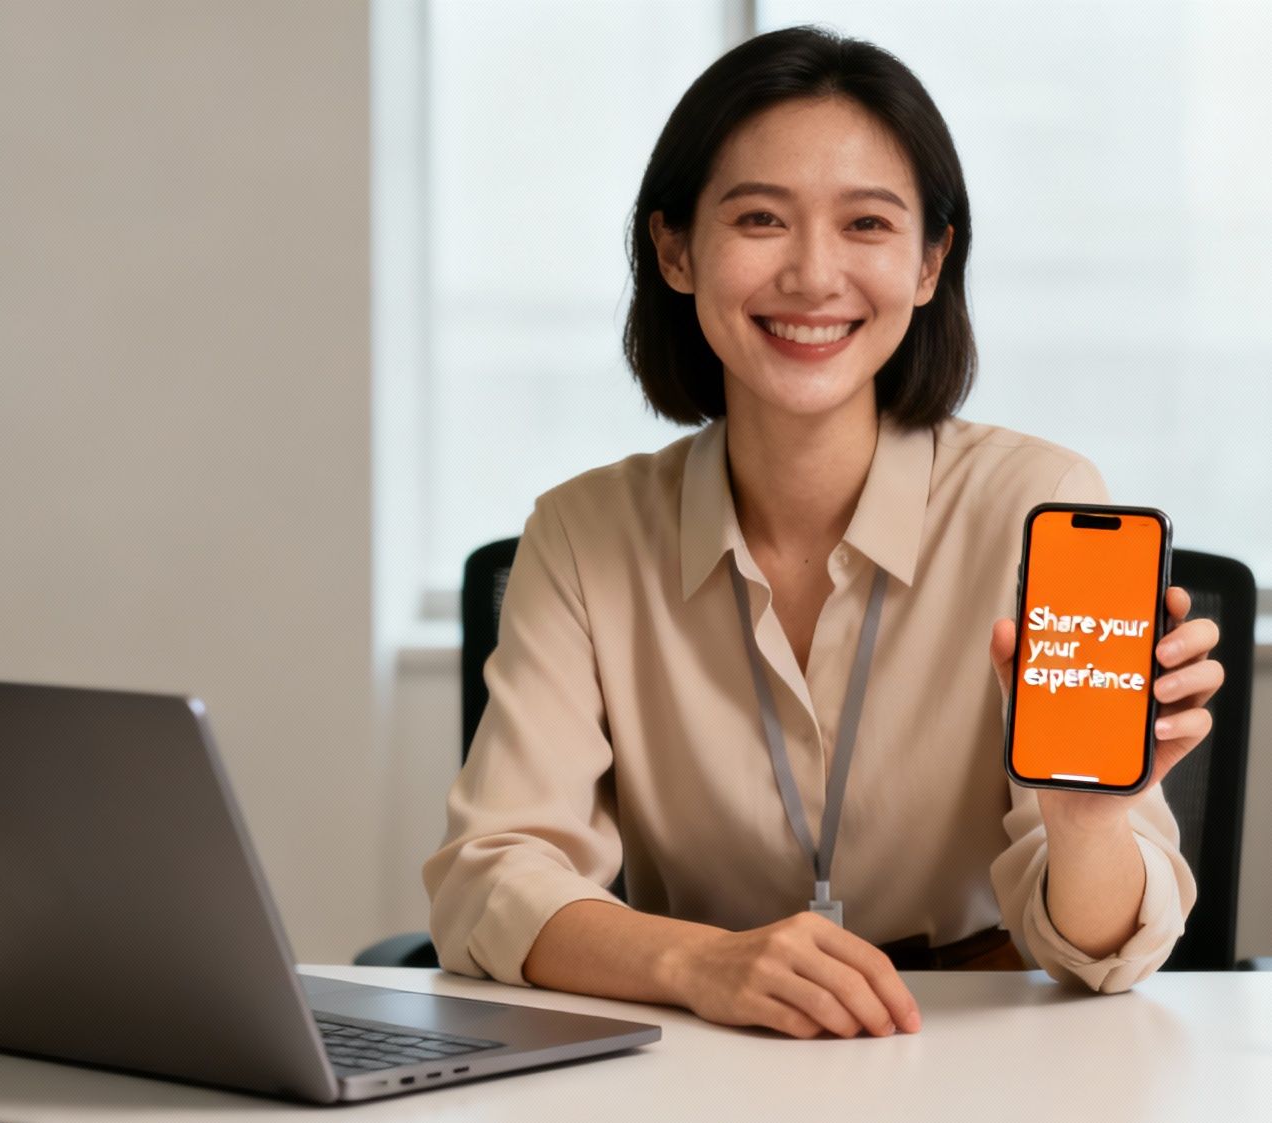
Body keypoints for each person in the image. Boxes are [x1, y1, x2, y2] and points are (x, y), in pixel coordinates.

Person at [423, 25, 1223, 1041]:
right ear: (674, 249)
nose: (810, 275)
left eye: (866, 226)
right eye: (759, 218)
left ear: (930, 262)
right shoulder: (584, 534)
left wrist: (1084, 824)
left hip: (975, 1052)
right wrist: (699, 962)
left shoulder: (1037, 506)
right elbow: (486, 883)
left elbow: (1107, 955)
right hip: (699, 1047)